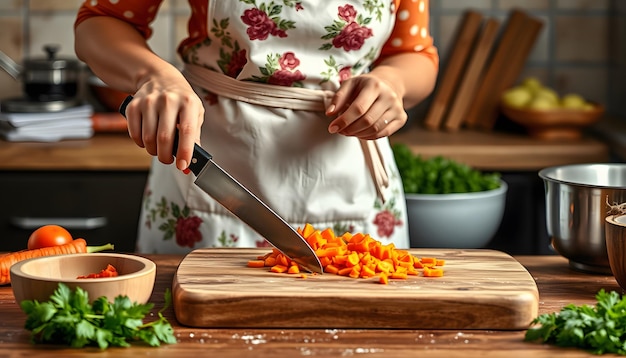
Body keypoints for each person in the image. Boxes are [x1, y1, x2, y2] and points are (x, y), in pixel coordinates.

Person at [74, 1, 439, 254]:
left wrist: (393, 83)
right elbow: (101, 20)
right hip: (211, 160)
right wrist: (153, 76)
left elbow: (415, 53)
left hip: (348, 169)